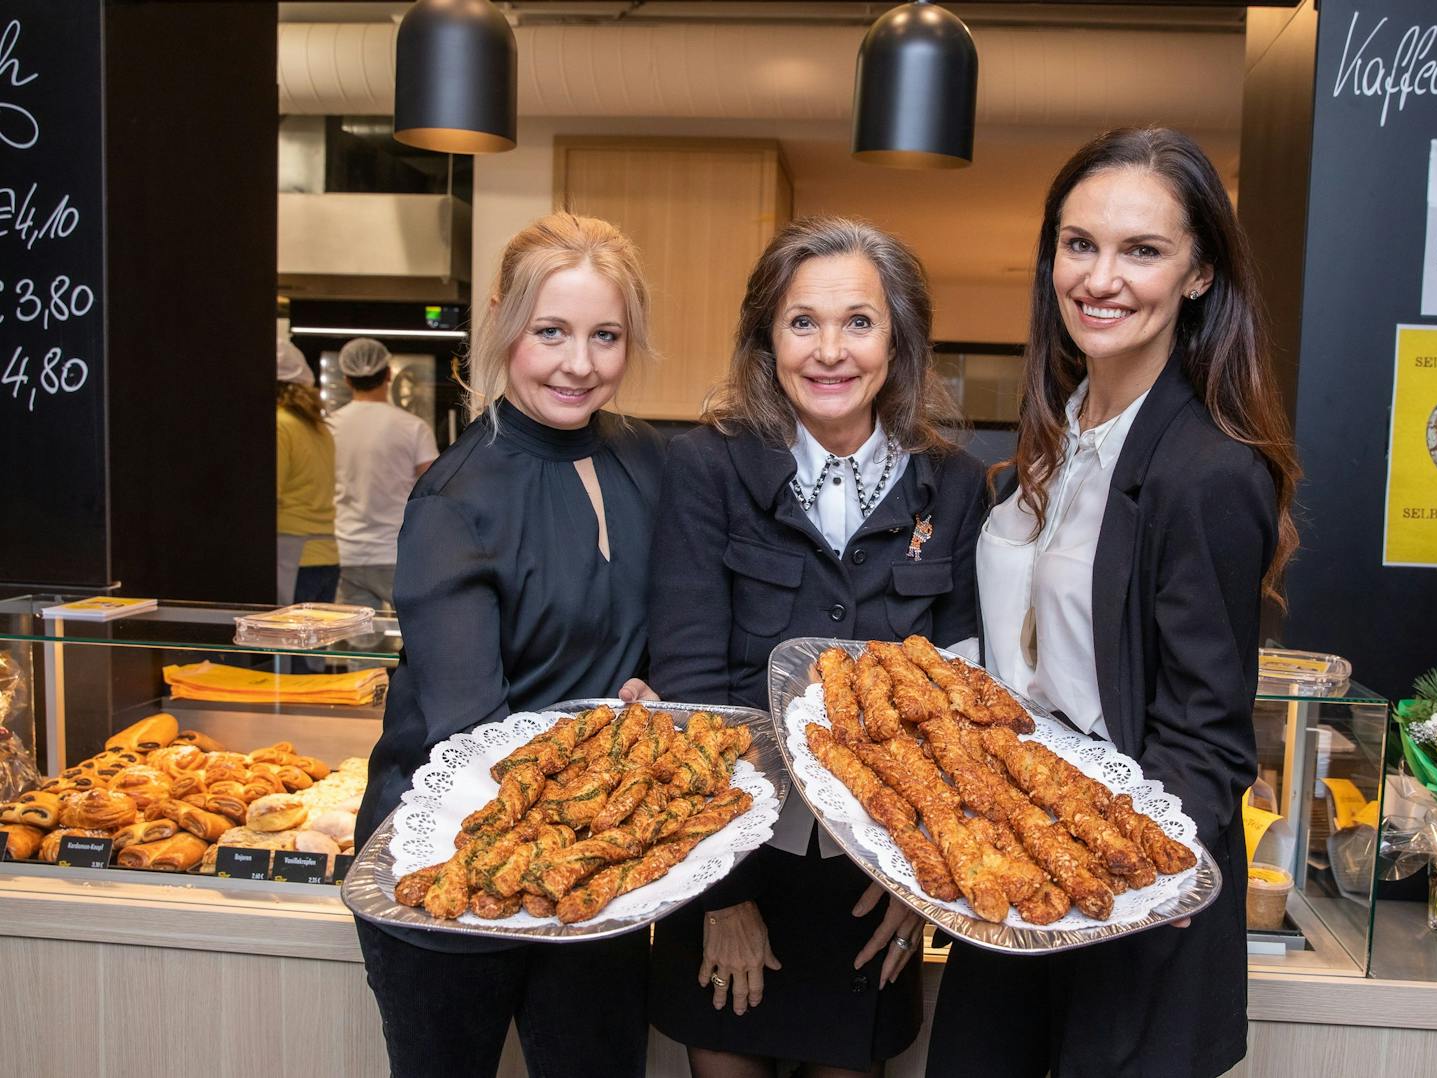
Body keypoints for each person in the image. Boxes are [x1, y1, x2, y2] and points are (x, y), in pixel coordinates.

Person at [924, 127, 1300, 1078]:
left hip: (1121, 898)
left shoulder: (1210, 470)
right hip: (1005, 880)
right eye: (1079, 244)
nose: (1101, 278)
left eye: (1143, 250)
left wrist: (1103, 872)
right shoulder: (1055, 437)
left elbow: (1210, 741)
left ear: (1200, 273)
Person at [648, 216, 988, 1078]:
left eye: (858, 322)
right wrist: (723, 895)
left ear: (898, 339)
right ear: (766, 339)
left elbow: (958, 697)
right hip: (730, 847)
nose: (829, 351)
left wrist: (923, 874)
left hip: (875, 871)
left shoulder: (950, 483)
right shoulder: (705, 468)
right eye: (803, 322)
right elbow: (688, 685)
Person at [353, 212, 664, 1078]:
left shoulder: (647, 458)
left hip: (588, 861)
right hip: (449, 864)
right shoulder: (454, 499)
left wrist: (655, 686)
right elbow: (472, 731)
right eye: (551, 332)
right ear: (501, 323)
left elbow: (662, 625)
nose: (581, 364)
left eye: (606, 336)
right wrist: (621, 732)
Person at [328, 337, 438, 612]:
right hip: (397, 552)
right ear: (389, 374)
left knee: (356, 645)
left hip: (344, 551)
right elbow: (434, 489)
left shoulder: (327, 427)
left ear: (346, 379)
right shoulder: (413, 427)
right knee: (412, 638)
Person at [275, 336, 338, 605]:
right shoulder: (318, 427)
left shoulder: (279, 425)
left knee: (282, 647)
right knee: (316, 647)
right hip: (327, 555)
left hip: (292, 555)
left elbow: (270, 497)